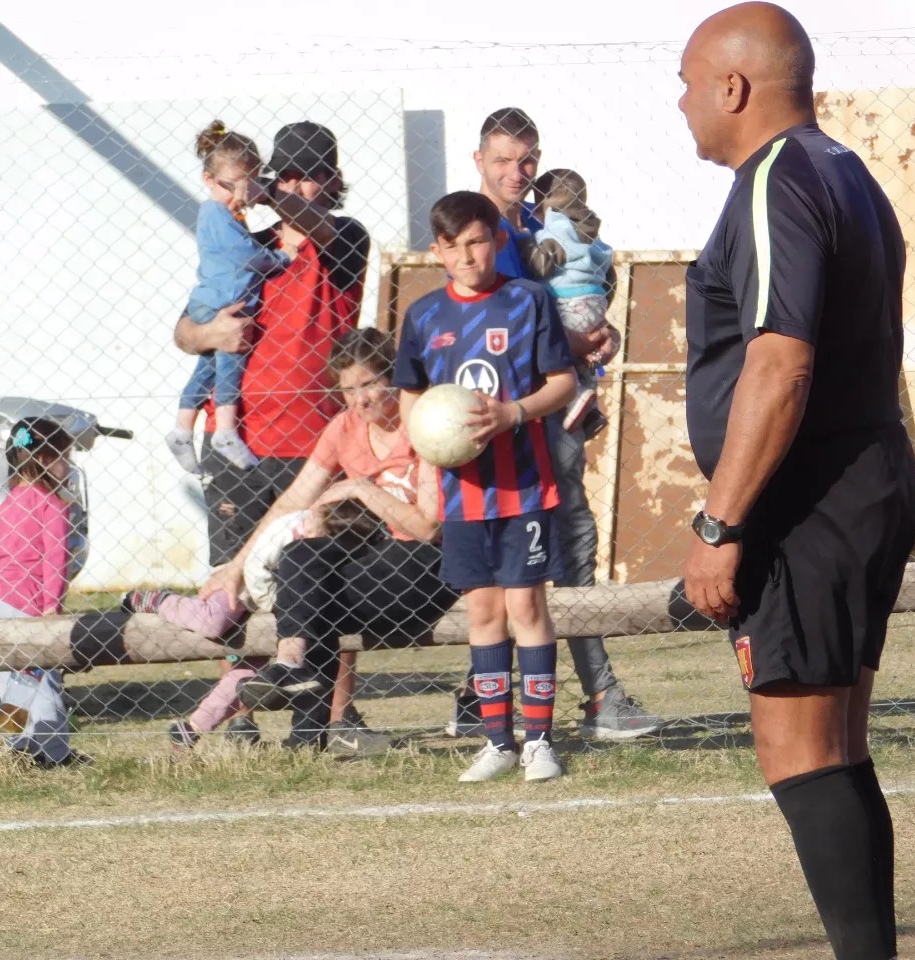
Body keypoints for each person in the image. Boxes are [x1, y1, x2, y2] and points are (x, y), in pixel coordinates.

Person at [678, 5, 915, 958]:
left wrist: (719, 523)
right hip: (861, 480)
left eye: (690, 79)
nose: (682, 101)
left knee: (801, 752)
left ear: (735, 86)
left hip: (813, 500)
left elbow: (780, 363)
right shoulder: (846, 169)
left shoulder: (779, 179)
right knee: (836, 746)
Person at [462, 107, 666, 741]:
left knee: (538, 555)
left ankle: (483, 701)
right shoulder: (479, 229)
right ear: (479, 162)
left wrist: (594, 335)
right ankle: (595, 699)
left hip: (547, 412)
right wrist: (576, 347)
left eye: (527, 159)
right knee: (556, 550)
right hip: (518, 420)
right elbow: (508, 323)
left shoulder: (541, 222)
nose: (517, 172)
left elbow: (568, 298)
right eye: (502, 160)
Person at [172, 122, 371, 744]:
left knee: (318, 581)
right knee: (233, 578)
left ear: (333, 182)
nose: (297, 184)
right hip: (242, 441)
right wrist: (209, 337)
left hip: (314, 442)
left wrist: (267, 194)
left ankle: (329, 717)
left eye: (312, 173)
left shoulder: (343, 242)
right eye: (286, 173)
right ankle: (241, 717)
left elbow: (320, 226)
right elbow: (187, 326)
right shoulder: (246, 244)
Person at [204, 328, 458, 753]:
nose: (359, 400)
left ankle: (301, 704)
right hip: (373, 565)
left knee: (314, 594)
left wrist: (362, 488)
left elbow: (429, 528)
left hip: (426, 567)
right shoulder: (344, 428)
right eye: (347, 390)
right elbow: (291, 502)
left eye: (369, 384)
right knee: (302, 553)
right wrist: (233, 570)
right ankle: (296, 697)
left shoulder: (423, 421)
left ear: (393, 377)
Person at [396, 191, 576, 783]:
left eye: (478, 241)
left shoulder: (529, 300)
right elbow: (412, 398)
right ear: (437, 252)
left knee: (526, 603)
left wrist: (513, 415)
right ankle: (498, 740)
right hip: (461, 492)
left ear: (498, 240)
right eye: (454, 246)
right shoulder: (423, 317)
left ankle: (539, 742)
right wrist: (428, 445)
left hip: (523, 484)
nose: (468, 256)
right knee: (482, 610)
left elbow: (562, 384)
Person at [122, 499, 380, 751]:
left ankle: (193, 728)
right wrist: (278, 605)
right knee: (213, 622)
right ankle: (159, 600)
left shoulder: (325, 542)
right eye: (312, 522)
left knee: (248, 675)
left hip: (281, 607)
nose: (309, 530)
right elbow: (256, 565)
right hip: (246, 586)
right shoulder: (287, 527)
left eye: (318, 533)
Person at [166, 121, 291, 475]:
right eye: (228, 185)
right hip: (224, 303)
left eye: (247, 186)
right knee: (230, 364)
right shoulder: (215, 212)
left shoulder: (223, 211)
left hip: (218, 300)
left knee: (205, 369)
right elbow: (245, 254)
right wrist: (282, 259)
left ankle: (180, 430)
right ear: (208, 180)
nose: (238, 194)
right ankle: (225, 432)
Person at [0, 417, 82, 768]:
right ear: (44, 460)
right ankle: (55, 753)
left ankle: (17, 749)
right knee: (43, 680)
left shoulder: (10, 501)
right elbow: (55, 558)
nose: (68, 466)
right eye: (65, 457)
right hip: (30, 606)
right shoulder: (53, 504)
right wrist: (52, 607)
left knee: (12, 683)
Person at [531, 168, 617, 432]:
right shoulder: (591, 231)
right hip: (594, 303)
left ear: (542, 206)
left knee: (560, 360)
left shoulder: (556, 226)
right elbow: (609, 280)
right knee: (586, 362)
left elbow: (543, 264)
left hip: (567, 302)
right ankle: (590, 413)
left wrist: (528, 249)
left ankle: (576, 398)